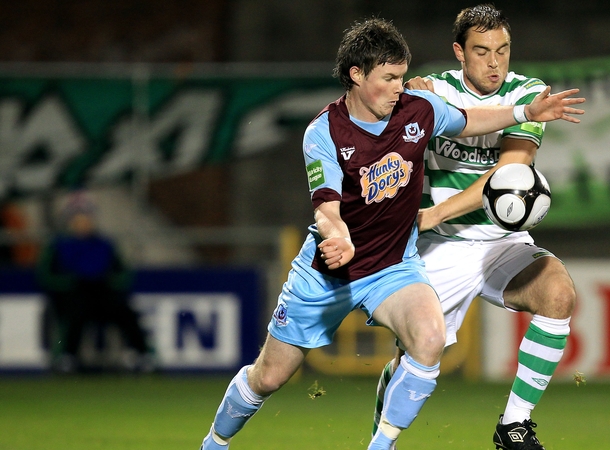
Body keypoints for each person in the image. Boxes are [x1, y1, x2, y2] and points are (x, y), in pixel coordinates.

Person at [199, 17, 583, 450]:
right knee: (269, 376)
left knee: (430, 338)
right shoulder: (323, 131)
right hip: (330, 271)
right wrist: (339, 233)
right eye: (389, 78)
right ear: (356, 76)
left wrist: (525, 113)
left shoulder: (417, 110)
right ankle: (214, 442)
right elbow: (325, 207)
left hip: (395, 266)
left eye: (402, 77)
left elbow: (471, 120)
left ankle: (384, 446)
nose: (400, 87)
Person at [371, 6, 578, 450]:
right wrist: (405, 103)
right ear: (458, 53)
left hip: (501, 244)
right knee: (415, 357)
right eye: (481, 51)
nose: (494, 62)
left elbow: (508, 176)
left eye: (502, 50)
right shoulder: (431, 91)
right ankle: (380, 440)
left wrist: (436, 212)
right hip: (438, 248)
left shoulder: (529, 94)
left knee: (558, 295)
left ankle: (514, 426)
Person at [36, 192, 152, 373]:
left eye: (86, 218)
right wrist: (70, 283)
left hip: (102, 293)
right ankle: (67, 357)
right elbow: (46, 276)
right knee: (75, 313)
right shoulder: (58, 245)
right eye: (78, 219)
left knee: (126, 313)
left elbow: (123, 274)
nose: (83, 223)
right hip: (74, 294)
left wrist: (109, 282)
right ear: (70, 221)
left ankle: (143, 355)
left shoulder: (105, 244)